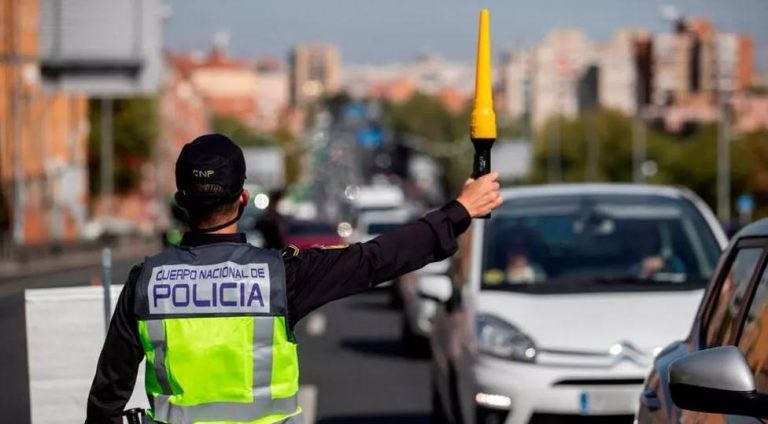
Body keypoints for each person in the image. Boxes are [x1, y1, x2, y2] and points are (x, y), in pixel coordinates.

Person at [85, 133, 502, 424]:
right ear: (243, 198)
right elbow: (378, 259)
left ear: (180, 202)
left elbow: (106, 402)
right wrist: (459, 211)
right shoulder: (280, 276)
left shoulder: (146, 284)